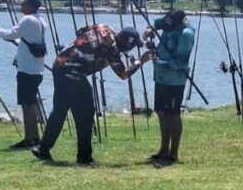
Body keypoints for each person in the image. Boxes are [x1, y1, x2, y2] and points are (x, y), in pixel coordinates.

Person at [33, 24, 153, 165]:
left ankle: (43, 148)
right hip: (74, 73)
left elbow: (81, 31)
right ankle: (84, 157)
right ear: (127, 45)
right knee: (86, 114)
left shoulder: (103, 27)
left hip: (60, 64)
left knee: (59, 110)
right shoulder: (111, 49)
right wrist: (140, 61)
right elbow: (123, 74)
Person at [0, 0, 48, 150]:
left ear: (30, 5)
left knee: (27, 105)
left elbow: (12, 33)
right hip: (37, 70)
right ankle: (34, 138)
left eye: (24, 4)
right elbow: (26, 40)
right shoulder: (40, 21)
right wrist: (10, 38)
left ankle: (30, 138)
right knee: (29, 103)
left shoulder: (28, 20)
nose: (21, 6)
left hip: (26, 70)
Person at [144, 8, 195, 165]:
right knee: (161, 112)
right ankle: (163, 149)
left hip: (174, 80)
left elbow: (181, 63)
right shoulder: (168, 21)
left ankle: (174, 153)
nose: (165, 29)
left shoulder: (186, 35)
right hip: (160, 78)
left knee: (173, 114)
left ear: (179, 24)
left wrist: (159, 62)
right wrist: (148, 30)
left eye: (169, 28)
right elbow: (155, 23)